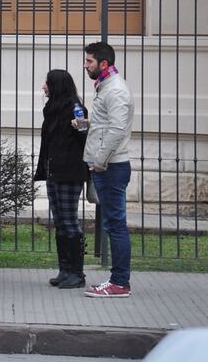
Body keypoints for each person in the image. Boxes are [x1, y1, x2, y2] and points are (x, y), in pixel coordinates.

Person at [80, 42, 134, 298]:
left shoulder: (116, 90)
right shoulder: (106, 86)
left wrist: (100, 161)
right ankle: (118, 281)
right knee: (113, 224)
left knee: (116, 226)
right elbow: (107, 125)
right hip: (105, 165)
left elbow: (118, 130)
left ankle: (119, 283)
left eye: (89, 61)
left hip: (111, 167)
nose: (85, 65)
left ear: (104, 64)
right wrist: (87, 124)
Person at [35, 69, 90, 290]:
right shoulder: (52, 108)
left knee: (69, 220)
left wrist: (81, 126)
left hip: (69, 172)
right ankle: (64, 269)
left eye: (47, 82)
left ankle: (77, 272)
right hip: (54, 171)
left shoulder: (74, 107)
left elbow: (84, 133)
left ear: (56, 85)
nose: (43, 86)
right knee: (59, 221)